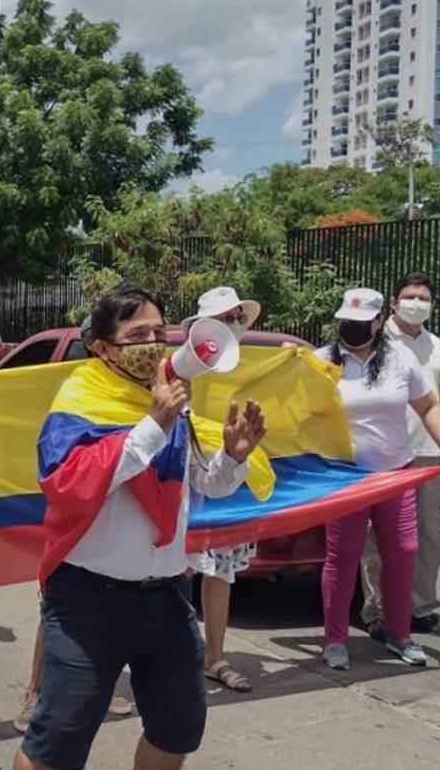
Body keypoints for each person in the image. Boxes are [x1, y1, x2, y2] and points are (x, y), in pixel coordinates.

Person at [15, 284, 266, 770]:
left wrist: (233, 456)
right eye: (137, 334)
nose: (153, 343)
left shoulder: (171, 399)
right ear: (102, 346)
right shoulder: (80, 399)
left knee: (177, 731)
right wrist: (153, 424)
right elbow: (68, 484)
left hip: (167, 598)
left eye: (158, 331)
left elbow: (199, 484)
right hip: (89, 602)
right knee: (55, 746)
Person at [315, 287, 440, 671]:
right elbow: (291, 409)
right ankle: (334, 640)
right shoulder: (320, 363)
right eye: (347, 322)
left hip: (396, 473)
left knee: (403, 552)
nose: (353, 329)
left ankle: (400, 634)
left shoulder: (401, 360)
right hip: (344, 477)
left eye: (362, 323)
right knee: (342, 557)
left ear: (379, 323)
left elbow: (428, 406)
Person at [12, 316, 133, 735]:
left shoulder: (133, 390)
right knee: (57, 615)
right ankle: (35, 693)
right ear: (99, 346)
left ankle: (102, 686)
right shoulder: (78, 389)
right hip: (73, 519)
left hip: (116, 524)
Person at [361, 272, 440, 640]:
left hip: (430, 454)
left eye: (424, 297)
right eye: (409, 296)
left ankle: (421, 607)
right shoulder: (376, 340)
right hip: (385, 453)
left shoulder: (435, 345)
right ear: (394, 302)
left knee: (429, 534)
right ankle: (377, 611)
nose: (417, 303)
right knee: (379, 538)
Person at [182, 285, 262, 691]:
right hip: (186, 480)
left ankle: (214, 656)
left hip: (229, 478)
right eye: (225, 318)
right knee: (174, 572)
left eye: (237, 318)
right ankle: (172, 653)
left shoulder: (257, 367)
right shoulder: (184, 366)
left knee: (221, 573)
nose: (234, 325)